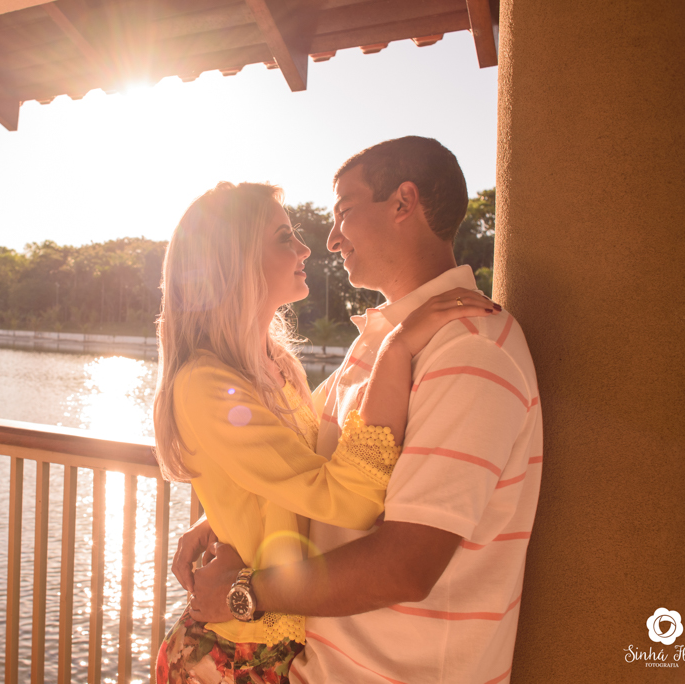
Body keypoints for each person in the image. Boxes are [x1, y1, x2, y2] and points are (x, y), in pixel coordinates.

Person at [175, 137, 542, 684]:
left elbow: (405, 565)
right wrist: (231, 512)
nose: (326, 239)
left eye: (343, 211)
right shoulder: (378, 343)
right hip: (321, 665)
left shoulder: (469, 351)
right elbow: (301, 448)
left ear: (402, 203)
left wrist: (244, 592)